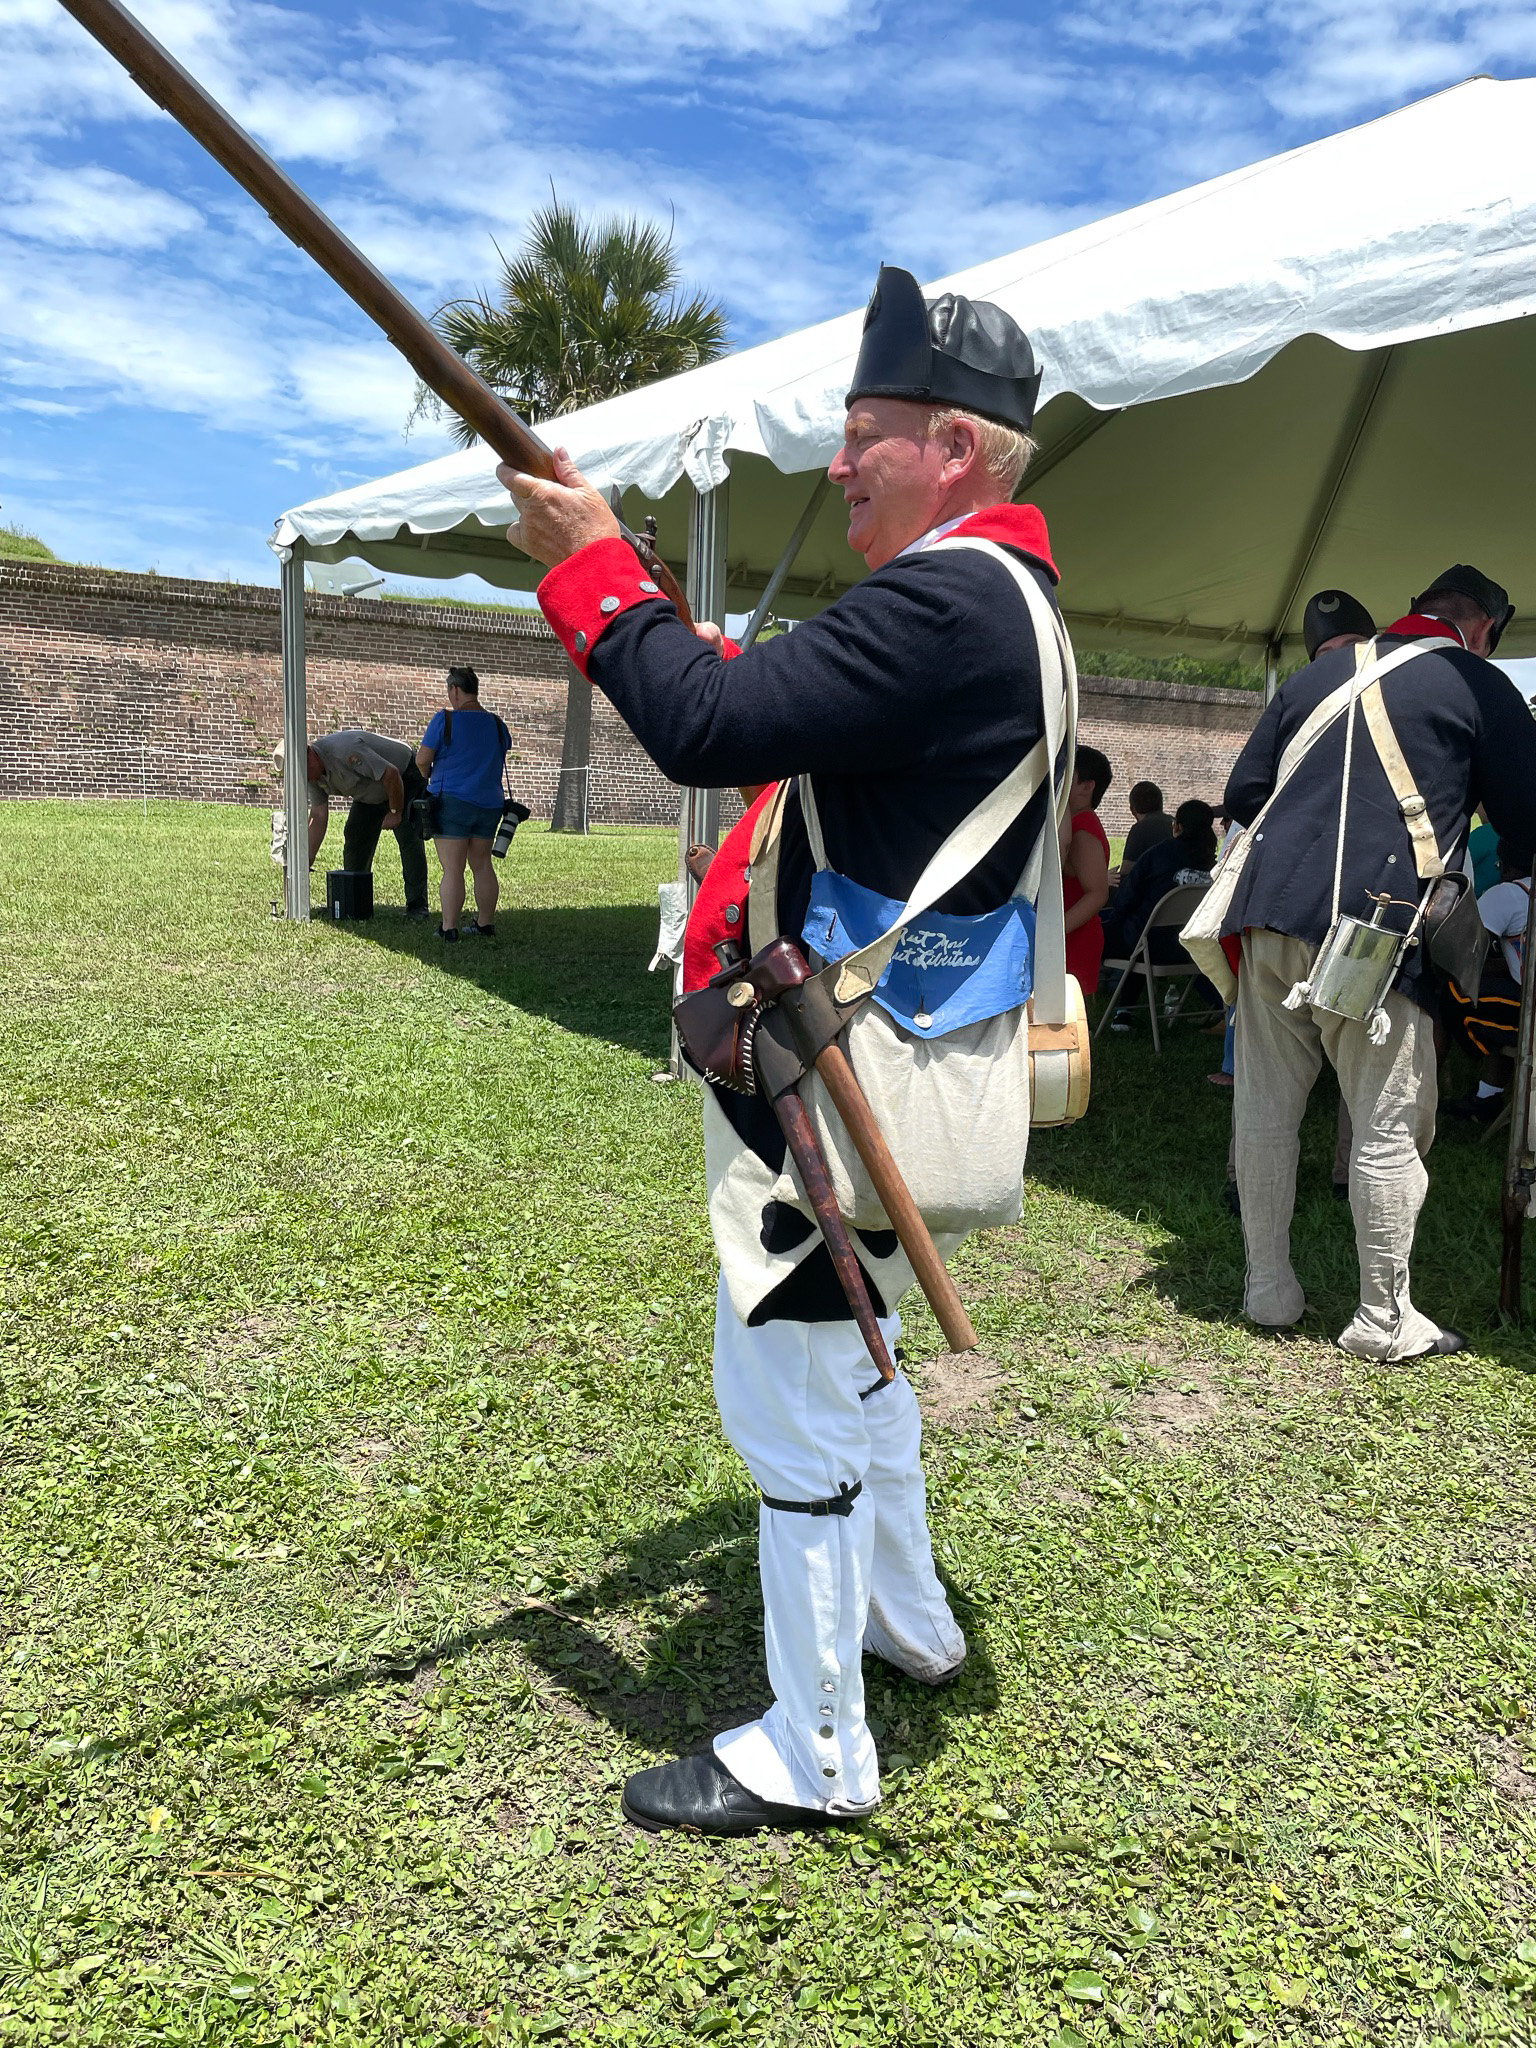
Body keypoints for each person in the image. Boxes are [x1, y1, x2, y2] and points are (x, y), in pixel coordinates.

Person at [501, 263, 1063, 1836]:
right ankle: (911, 1619)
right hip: (879, 1048)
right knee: (859, 1343)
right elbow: (751, 699)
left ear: (954, 446)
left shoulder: (951, 598)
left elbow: (706, 722)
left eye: (865, 433)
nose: (838, 465)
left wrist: (598, 571)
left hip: (823, 1070)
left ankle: (814, 1751)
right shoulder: (1008, 595)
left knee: (790, 1388)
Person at [1219, 561, 1536, 1361]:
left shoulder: (1315, 679)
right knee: (1388, 1124)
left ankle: (1268, 1291)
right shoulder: (1476, 684)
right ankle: (1383, 1320)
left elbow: (1245, 791)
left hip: (1270, 914)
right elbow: (1528, 820)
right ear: (1485, 631)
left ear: (1411, 610)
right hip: (1380, 927)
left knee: (1263, 1111)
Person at [274, 729, 430, 915]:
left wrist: (396, 811)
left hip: (404, 776)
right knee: (355, 835)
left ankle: (417, 906)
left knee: (408, 838)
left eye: (302, 772)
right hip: (370, 791)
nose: (305, 779)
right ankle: (354, 900)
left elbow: (391, 774)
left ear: (310, 755)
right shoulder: (310, 776)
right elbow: (318, 816)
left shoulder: (344, 751)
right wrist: (305, 862)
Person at [416, 666, 512, 943]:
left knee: (453, 868)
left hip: (452, 802)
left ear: (455, 690)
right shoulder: (496, 723)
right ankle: (485, 923)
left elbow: (422, 760)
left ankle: (449, 928)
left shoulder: (444, 720)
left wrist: (427, 780)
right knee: (482, 864)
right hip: (489, 803)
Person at [1442, 837, 1533, 1123]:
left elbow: (1468, 954)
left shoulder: (1507, 894)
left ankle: (1432, 1082)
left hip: (1531, 1016)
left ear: (1502, 865)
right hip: (1524, 1002)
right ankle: (1487, 1097)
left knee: (1452, 992)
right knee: (1501, 998)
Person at [1102, 798, 1217, 964]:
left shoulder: (1158, 855)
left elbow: (1125, 899)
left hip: (1145, 945)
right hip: (1192, 948)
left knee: (1092, 932)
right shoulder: (1213, 864)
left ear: (1177, 826)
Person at [1063, 745, 1112, 994]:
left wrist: (1055, 931)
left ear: (1087, 786)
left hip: (1074, 937)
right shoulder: (1074, 823)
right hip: (1071, 934)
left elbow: (1097, 894)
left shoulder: (1082, 827)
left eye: (1068, 773)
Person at [1121, 781, 1172, 872]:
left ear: (1132, 810)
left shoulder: (1139, 829)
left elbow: (1126, 870)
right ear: (1161, 805)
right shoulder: (1176, 823)